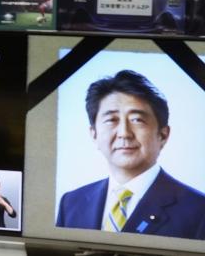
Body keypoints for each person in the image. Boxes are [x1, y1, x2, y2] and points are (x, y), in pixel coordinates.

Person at [56, 70, 205, 239]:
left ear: (162, 135)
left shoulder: (199, 210)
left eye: (137, 120)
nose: (124, 133)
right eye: (111, 120)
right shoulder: (70, 203)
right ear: (94, 134)